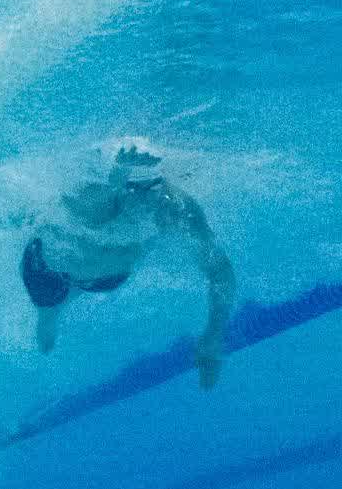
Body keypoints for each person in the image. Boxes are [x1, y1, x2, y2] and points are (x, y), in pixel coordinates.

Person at [23, 140, 236, 388]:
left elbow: (219, 271)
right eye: (137, 187)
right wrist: (119, 173)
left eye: (152, 187)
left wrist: (214, 334)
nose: (147, 195)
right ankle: (48, 317)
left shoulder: (174, 206)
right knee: (49, 307)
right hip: (48, 272)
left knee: (83, 280)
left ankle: (58, 307)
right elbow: (101, 207)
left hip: (106, 277)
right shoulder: (92, 193)